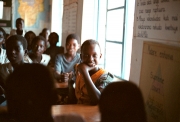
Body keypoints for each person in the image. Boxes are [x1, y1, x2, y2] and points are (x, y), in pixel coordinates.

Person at [74, 39, 114, 105]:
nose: (90, 59)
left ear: (100, 56)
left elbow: (98, 100)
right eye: (86, 55)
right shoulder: (78, 69)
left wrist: (85, 72)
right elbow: (75, 98)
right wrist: (70, 83)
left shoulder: (105, 76)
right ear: (81, 57)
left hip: (94, 114)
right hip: (79, 111)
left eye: (94, 55)